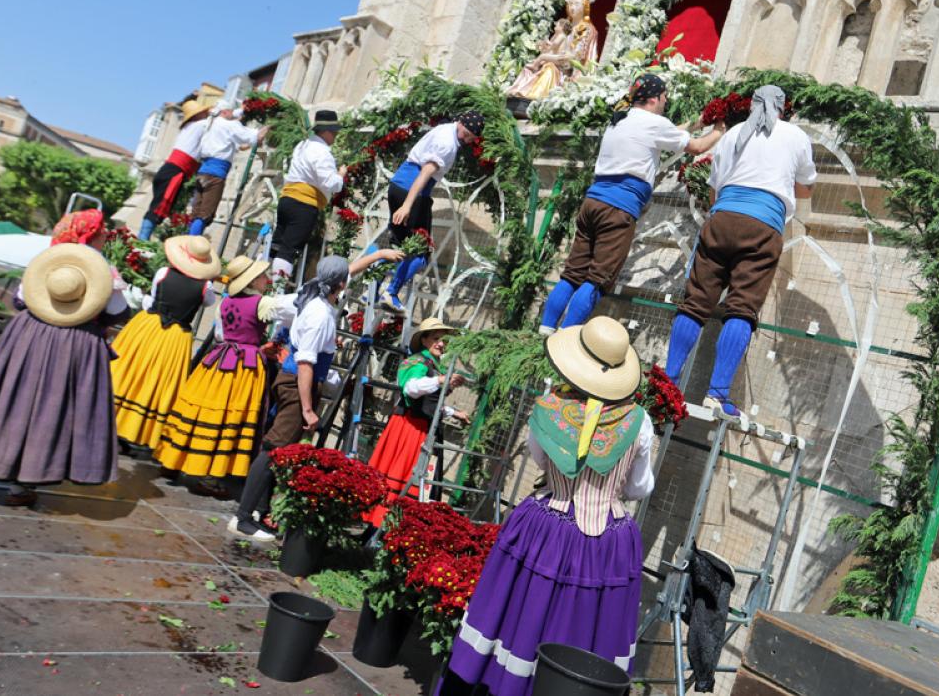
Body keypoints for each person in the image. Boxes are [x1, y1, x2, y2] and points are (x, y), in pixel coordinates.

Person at [436, 316, 654, 696]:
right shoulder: (641, 422)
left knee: (521, 613)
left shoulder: (548, 407)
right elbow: (640, 487)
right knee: (588, 629)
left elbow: (541, 459)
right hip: (607, 542)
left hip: (545, 528)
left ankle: (498, 683)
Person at [227, 247, 404, 541]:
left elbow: (349, 269)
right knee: (273, 448)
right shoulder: (320, 313)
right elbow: (306, 363)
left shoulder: (313, 293)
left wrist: (379, 255)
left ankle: (259, 512)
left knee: (280, 449)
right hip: (298, 382)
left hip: (296, 380)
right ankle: (242, 517)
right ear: (340, 285)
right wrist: (308, 409)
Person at [664, 85, 816, 415]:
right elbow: (804, 186)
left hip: (722, 219)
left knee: (694, 304)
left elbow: (715, 191)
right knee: (742, 307)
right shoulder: (795, 136)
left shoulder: (733, 134)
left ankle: (669, 381)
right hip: (763, 225)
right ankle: (717, 394)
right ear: (782, 108)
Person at [537, 74, 724, 334]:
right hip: (618, 209)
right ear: (655, 98)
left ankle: (545, 329)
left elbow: (666, 134)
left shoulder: (621, 120)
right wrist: (718, 130)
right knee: (598, 279)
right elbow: (696, 147)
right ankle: (566, 337)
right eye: (664, 97)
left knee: (572, 273)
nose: (666, 102)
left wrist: (696, 123)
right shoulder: (654, 123)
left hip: (593, 203)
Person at [0, 242, 130, 506]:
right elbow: (119, 313)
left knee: (5, 396)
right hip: (73, 345)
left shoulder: (47, 265)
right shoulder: (105, 275)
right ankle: (20, 486)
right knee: (47, 411)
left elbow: (19, 300)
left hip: (27, 335)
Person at [154, 255, 278, 496]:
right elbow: (288, 311)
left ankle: (172, 462)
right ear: (253, 280)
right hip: (242, 367)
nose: (267, 279)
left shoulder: (226, 302)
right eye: (264, 276)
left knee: (197, 410)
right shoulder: (263, 303)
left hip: (218, 359)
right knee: (224, 418)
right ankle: (209, 474)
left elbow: (221, 335)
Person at [110, 235, 221, 458]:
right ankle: (139, 432)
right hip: (176, 337)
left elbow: (151, 300)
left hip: (148, 327)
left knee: (132, 373)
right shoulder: (206, 288)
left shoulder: (163, 273)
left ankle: (113, 423)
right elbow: (208, 302)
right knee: (160, 382)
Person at [362, 316, 472, 528]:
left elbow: (430, 402)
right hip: (409, 428)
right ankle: (381, 526)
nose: (441, 343)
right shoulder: (416, 362)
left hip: (423, 428)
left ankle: (398, 529)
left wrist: (453, 412)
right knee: (401, 475)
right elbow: (411, 389)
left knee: (418, 480)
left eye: (443, 340)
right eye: (436, 338)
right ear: (423, 340)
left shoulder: (434, 365)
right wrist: (441, 380)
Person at [380, 110, 485, 314]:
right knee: (422, 250)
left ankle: (374, 289)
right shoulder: (447, 144)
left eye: (473, 136)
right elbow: (425, 172)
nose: (469, 138)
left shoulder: (445, 129)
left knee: (398, 245)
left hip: (397, 185)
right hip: (413, 192)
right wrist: (407, 206)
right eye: (469, 133)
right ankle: (391, 292)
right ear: (461, 122)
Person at [269, 110, 346, 280]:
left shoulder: (302, 145)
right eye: (334, 132)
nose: (335, 136)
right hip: (303, 205)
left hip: (287, 200)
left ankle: (260, 281)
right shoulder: (322, 152)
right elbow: (330, 183)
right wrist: (340, 176)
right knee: (289, 249)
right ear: (325, 132)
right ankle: (274, 290)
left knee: (277, 245)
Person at [187, 102, 269, 236]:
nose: (234, 115)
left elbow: (240, 146)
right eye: (231, 112)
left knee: (196, 212)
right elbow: (256, 136)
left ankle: (187, 241)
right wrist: (269, 126)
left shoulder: (211, 124)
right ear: (225, 112)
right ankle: (191, 244)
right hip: (215, 174)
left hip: (202, 172)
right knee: (205, 214)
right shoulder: (229, 125)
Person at [137, 99, 212, 240]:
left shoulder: (190, 128)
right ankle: (142, 239)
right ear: (197, 115)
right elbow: (214, 124)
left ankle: (143, 238)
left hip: (172, 170)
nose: (206, 114)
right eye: (204, 112)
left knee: (160, 207)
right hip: (174, 171)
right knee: (159, 207)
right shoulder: (199, 125)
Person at [506, 0, 599, 101]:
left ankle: (535, 99)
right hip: (556, 59)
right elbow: (553, 47)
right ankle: (520, 95)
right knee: (532, 67)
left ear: (585, 7)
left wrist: (568, 56)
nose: (572, 7)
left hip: (569, 68)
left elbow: (580, 55)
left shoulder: (587, 29)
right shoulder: (564, 25)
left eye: (576, 4)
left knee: (550, 69)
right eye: (570, 4)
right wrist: (544, 47)